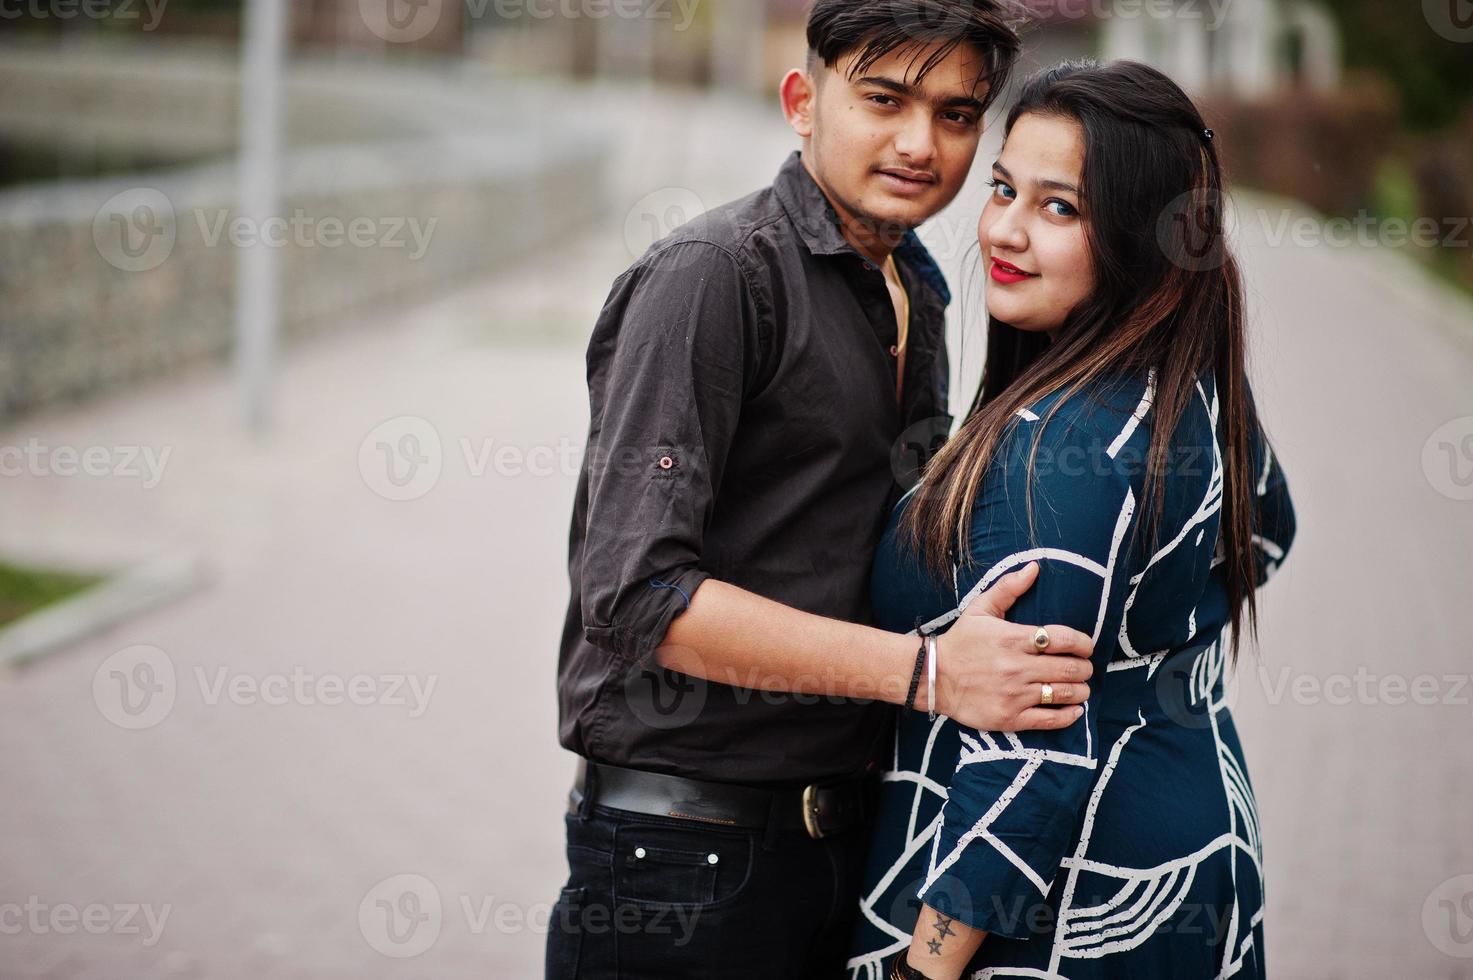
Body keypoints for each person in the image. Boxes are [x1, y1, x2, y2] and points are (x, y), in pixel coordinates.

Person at [545, 3, 1108, 978]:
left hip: (840, 848)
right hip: (677, 863)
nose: (919, 142)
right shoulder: (714, 277)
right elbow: (635, 594)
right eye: (884, 98)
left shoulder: (915, 288)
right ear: (802, 100)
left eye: (956, 113)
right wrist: (927, 671)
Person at [846, 59, 1298, 980]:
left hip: (1061, 909)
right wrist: (1146, 656)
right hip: (1195, 844)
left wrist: (916, 972)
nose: (1004, 231)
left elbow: (1029, 762)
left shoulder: (1059, 448)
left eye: (1060, 208)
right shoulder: (1191, 381)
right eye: (1004, 188)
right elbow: (1266, 530)